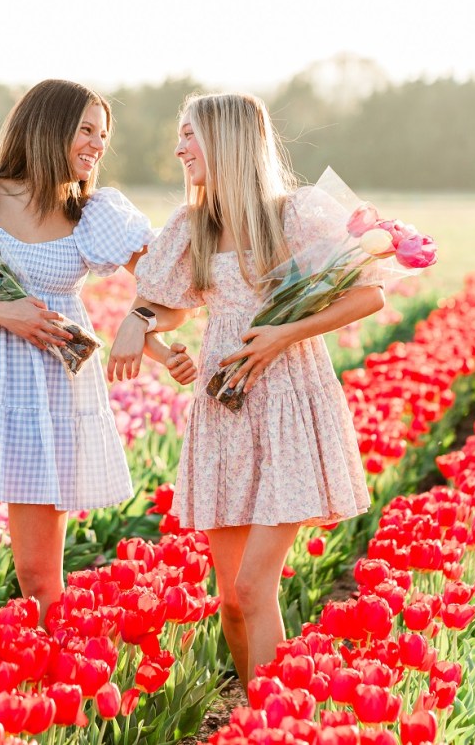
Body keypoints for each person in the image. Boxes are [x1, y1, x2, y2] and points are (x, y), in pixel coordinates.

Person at [0, 79, 195, 678]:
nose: (95, 147)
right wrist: (0, 313)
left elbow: (176, 287)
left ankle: (47, 702)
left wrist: (141, 326)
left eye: (102, 137)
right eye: (86, 131)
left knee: (37, 577)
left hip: (48, 396)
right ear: (46, 126)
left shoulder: (94, 214)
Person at [108, 92, 384, 690]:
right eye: (179, 135)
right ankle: (260, 711)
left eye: (190, 134)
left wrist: (282, 334)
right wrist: (142, 325)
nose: (180, 147)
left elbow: (369, 293)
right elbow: (168, 308)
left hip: (287, 398)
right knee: (231, 599)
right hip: (224, 407)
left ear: (229, 140)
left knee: (256, 586)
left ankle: (271, 725)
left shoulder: (297, 214)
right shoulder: (193, 226)